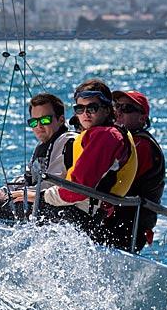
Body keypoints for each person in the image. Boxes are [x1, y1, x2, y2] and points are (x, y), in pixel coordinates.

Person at [29, 79, 138, 243]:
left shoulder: (106, 136)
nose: (85, 113)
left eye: (92, 108)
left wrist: (41, 196)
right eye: (80, 108)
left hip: (79, 217)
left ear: (107, 110)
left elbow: (78, 189)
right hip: (86, 216)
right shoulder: (108, 134)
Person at [0, 93, 75, 221]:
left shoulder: (67, 142)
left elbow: (52, 184)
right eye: (33, 122)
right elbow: (27, 178)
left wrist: (21, 194)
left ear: (60, 120)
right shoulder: (43, 145)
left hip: (60, 209)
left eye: (45, 120)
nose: (38, 126)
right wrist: (2, 193)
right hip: (38, 201)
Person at [105, 90, 166, 251]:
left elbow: (118, 177)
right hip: (114, 219)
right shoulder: (122, 141)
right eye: (116, 106)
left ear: (142, 118)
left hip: (129, 224)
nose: (118, 111)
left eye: (126, 108)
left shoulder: (142, 144)